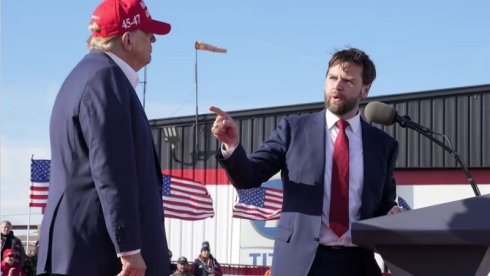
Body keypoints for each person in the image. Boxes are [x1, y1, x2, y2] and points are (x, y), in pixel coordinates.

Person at [210, 47, 403, 276]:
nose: (337, 85)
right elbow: (249, 177)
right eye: (332, 77)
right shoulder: (293, 130)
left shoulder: (383, 145)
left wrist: (391, 213)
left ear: (365, 90)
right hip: (302, 264)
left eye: (348, 81)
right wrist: (232, 146)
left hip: (358, 263)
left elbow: (383, 204)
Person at [36, 0, 172, 275]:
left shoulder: (86, 75)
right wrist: (129, 249)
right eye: (148, 33)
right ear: (128, 39)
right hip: (99, 256)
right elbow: (112, 169)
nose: (155, 39)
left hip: (81, 251)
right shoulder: (104, 79)